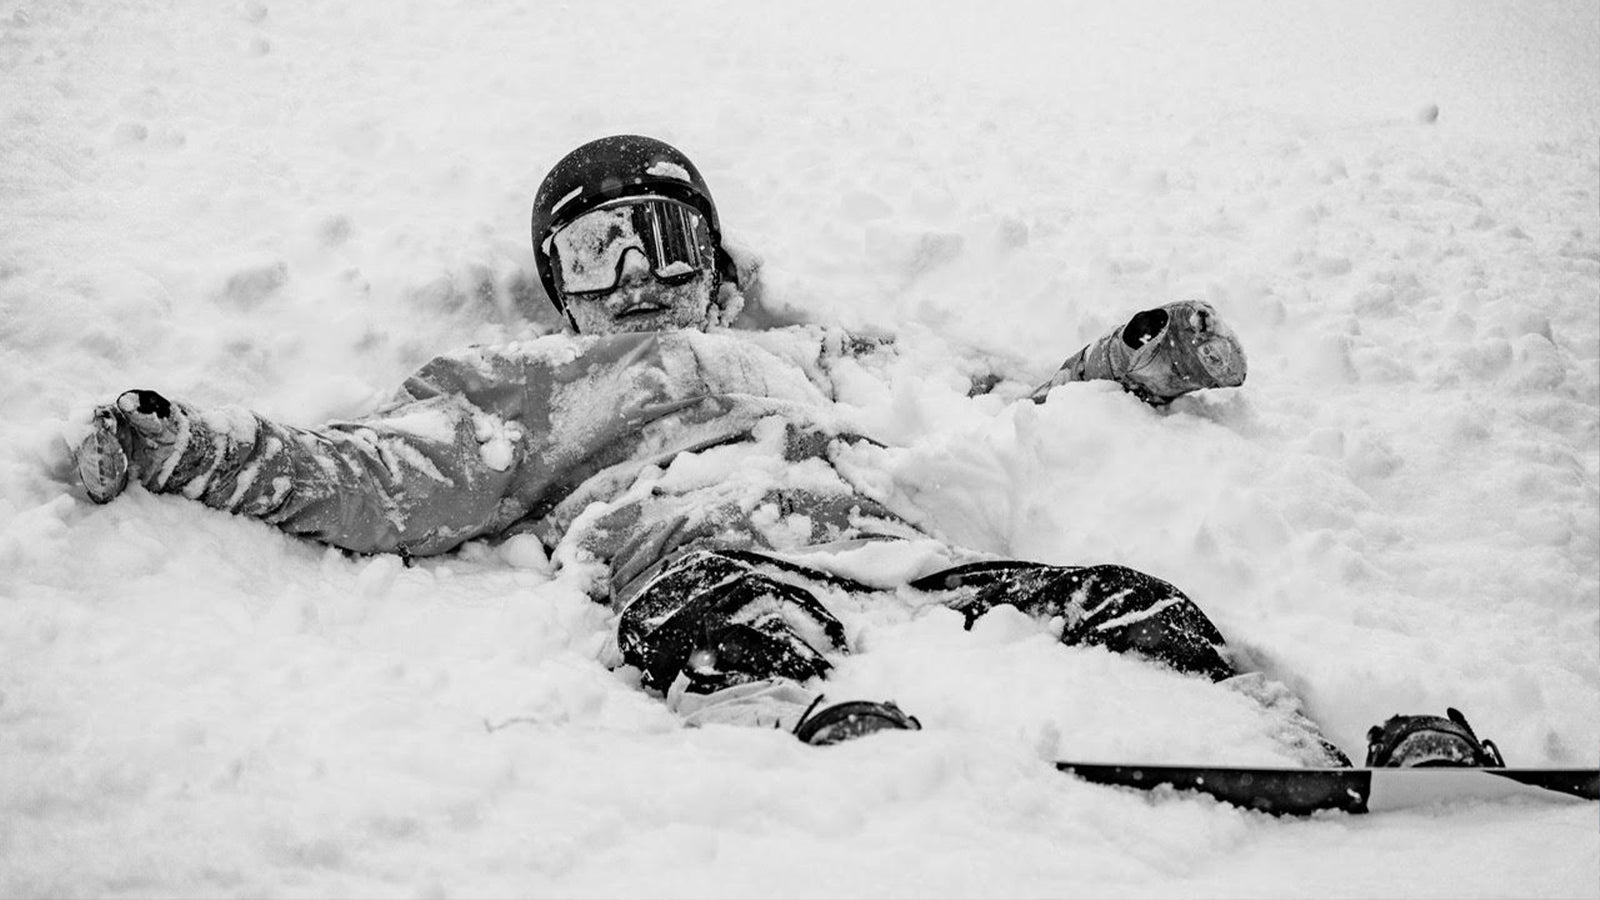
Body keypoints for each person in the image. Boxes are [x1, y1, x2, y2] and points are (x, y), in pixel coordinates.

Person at [69, 135, 1499, 765]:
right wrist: (198, 448)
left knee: (1127, 601)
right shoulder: (526, 382)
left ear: (715, 253)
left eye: (663, 237)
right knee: (730, 618)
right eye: (597, 248)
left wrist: (1121, 363)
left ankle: (1305, 737)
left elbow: (988, 394)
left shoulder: (814, 350)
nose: (636, 272)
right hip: (692, 553)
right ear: (558, 283)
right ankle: (803, 737)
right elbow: (386, 478)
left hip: (896, 556)